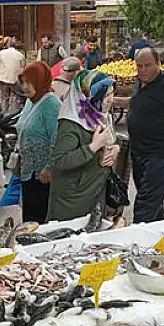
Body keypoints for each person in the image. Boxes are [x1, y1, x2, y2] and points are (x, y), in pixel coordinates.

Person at [114, 48, 164, 223]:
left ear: (158, 64)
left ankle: (138, 240)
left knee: (144, 205)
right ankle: (163, 229)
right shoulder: (140, 82)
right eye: (139, 66)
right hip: (138, 153)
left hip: (159, 155)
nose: (143, 70)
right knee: (153, 203)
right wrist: (112, 101)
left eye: (147, 66)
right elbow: (136, 102)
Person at [49, 71, 119, 222]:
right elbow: (61, 161)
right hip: (73, 201)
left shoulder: (100, 114)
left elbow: (112, 140)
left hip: (95, 191)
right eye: (106, 96)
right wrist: (93, 147)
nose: (111, 100)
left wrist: (114, 150)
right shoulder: (70, 124)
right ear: (88, 96)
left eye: (112, 94)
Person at [16, 61, 61, 223]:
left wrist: (48, 169)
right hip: (28, 172)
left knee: (39, 222)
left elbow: (57, 138)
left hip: (42, 176)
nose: (25, 87)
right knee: (28, 220)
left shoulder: (51, 103)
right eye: (23, 82)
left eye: (29, 82)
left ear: (40, 81)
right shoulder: (31, 101)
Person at [0, 38, 26, 114]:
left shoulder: (2, 53)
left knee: (4, 97)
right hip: (14, 79)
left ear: (7, 45)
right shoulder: (20, 55)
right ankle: (15, 113)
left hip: (3, 79)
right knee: (17, 96)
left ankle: (4, 113)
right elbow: (23, 67)